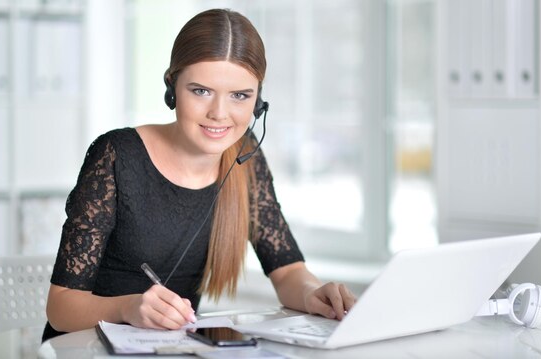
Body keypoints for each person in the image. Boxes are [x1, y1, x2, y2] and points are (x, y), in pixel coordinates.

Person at [42, 8, 356, 342]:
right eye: (201, 91)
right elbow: (61, 308)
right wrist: (128, 308)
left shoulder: (244, 158)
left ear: (258, 101)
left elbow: (288, 270)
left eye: (239, 95)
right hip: (85, 347)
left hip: (170, 348)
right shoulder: (116, 154)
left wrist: (312, 293)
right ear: (172, 87)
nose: (219, 114)